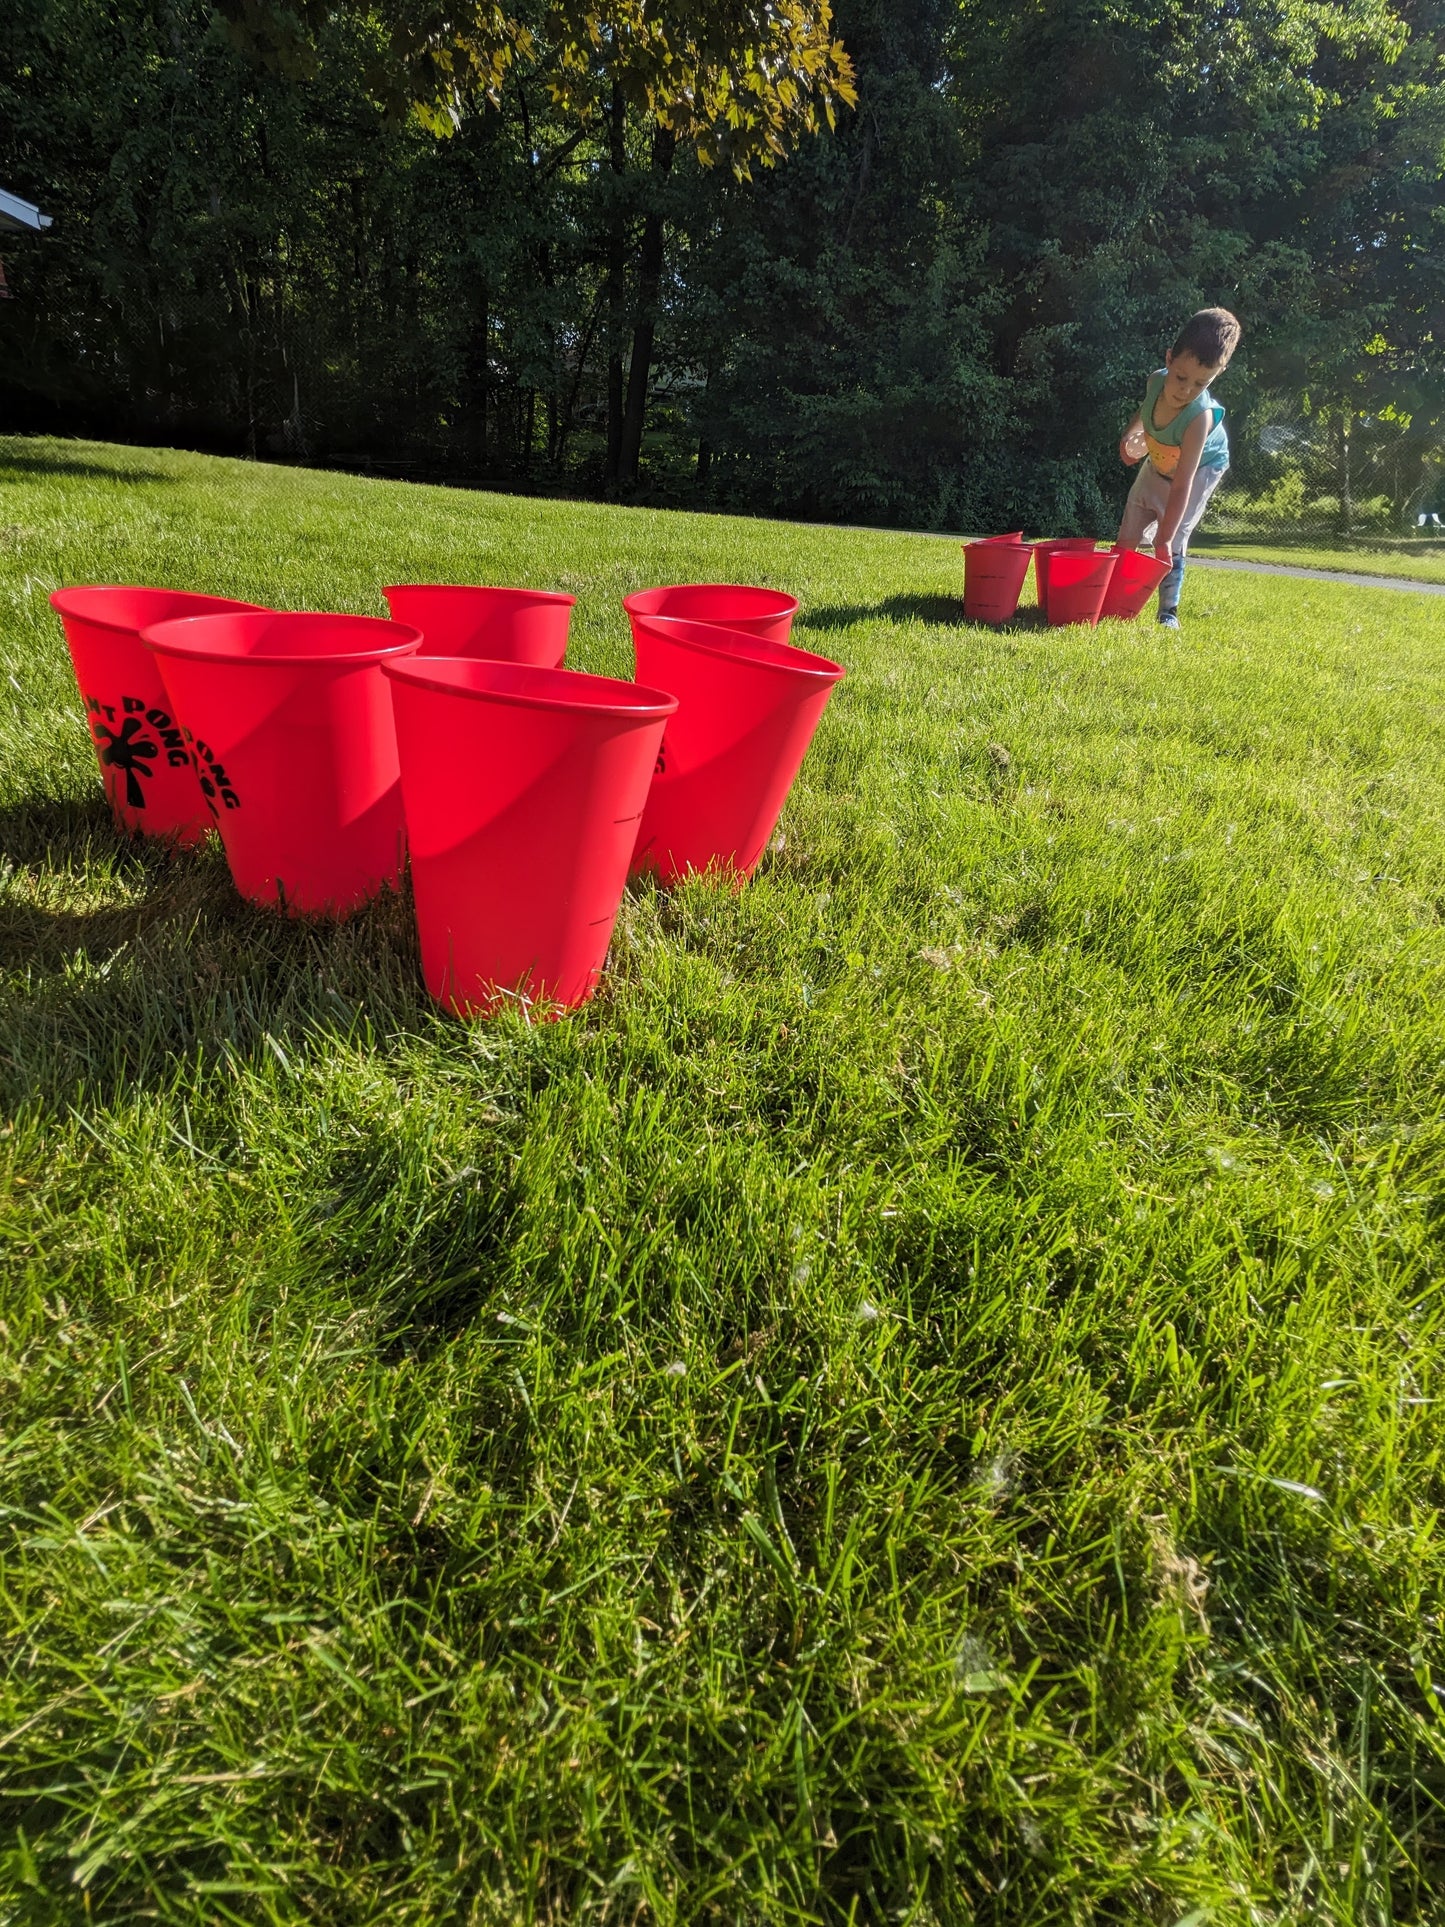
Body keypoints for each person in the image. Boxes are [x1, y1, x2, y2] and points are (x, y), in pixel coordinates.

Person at [1117, 307, 1241, 627]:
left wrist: (1164, 538)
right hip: (1161, 457)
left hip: (1199, 469)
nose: (1185, 391)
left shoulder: (1198, 419)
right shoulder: (1156, 382)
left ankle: (1168, 610)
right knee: (1130, 524)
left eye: (1200, 384)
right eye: (1181, 377)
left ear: (1217, 375)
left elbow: (1182, 485)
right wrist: (1130, 437)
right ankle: (1113, 596)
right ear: (1169, 359)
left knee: (1174, 536)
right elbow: (1145, 413)